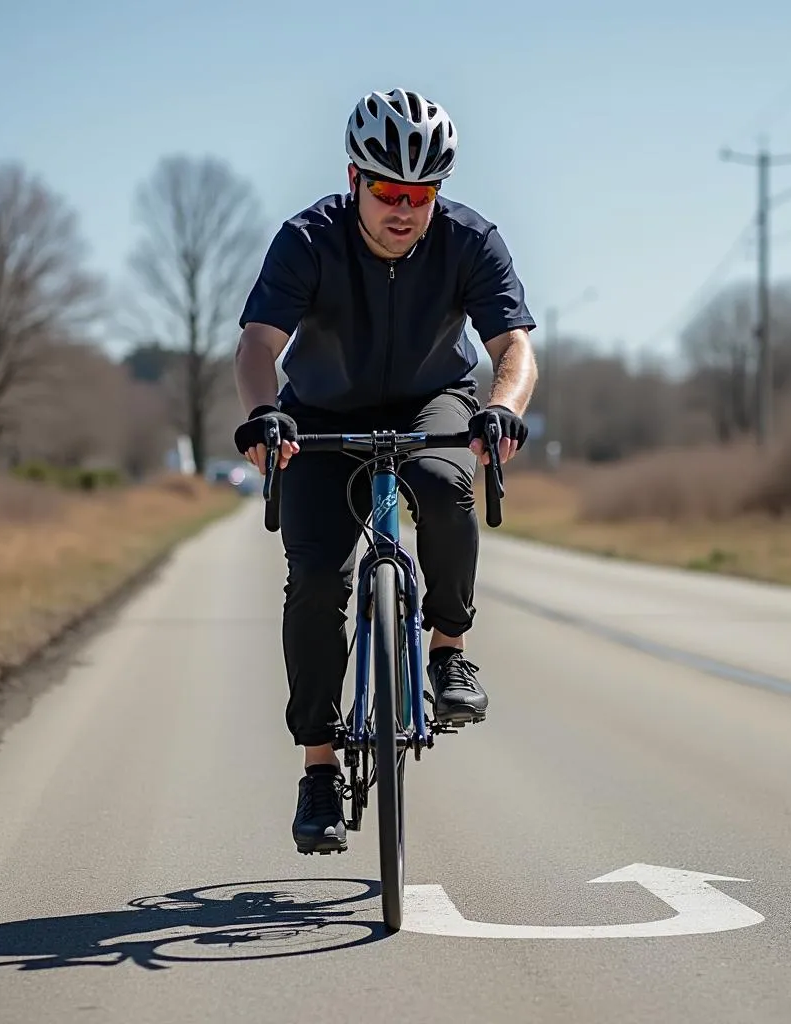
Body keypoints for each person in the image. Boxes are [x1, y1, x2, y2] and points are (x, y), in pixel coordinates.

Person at [231, 87, 538, 856]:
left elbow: (514, 349)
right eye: (388, 192)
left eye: (421, 194)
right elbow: (258, 343)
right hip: (322, 413)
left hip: (432, 399)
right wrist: (266, 414)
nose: (404, 209)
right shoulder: (307, 240)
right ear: (354, 180)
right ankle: (320, 767)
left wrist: (501, 407)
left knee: (443, 483)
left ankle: (448, 652)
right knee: (318, 581)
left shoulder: (471, 242)